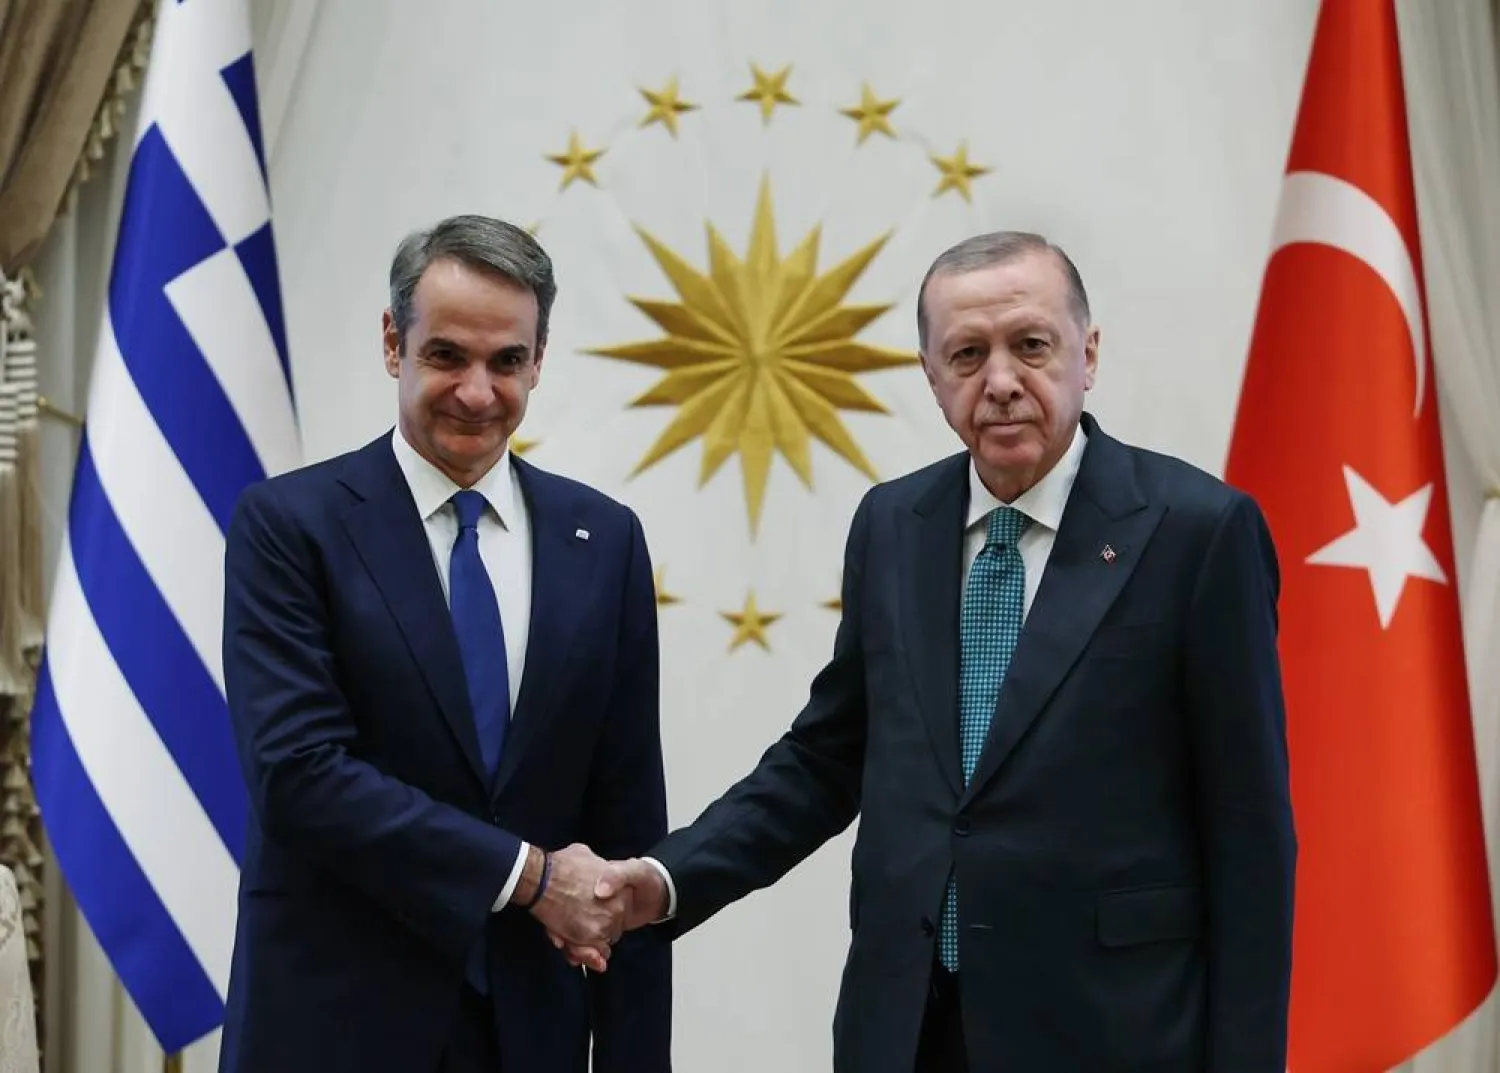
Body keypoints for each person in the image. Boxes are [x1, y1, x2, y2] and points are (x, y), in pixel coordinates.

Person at [587, 232, 1296, 1071]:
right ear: (931, 376)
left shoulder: (1198, 532)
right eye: (966, 354)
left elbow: (1250, 837)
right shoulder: (893, 526)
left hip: (1112, 1031)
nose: (1000, 382)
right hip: (909, 1028)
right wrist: (668, 876)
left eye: (1031, 345)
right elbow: (826, 757)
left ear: (1088, 354)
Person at [219, 215, 671, 1073]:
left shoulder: (603, 539)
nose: (476, 391)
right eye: (446, 356)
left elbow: (625, 827)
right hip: (334, 1031)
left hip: (529, 1034)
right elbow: (299, 774)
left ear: (540, 359)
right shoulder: (290, 527)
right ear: (394, 344)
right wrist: (530, 875)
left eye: (506, 361)